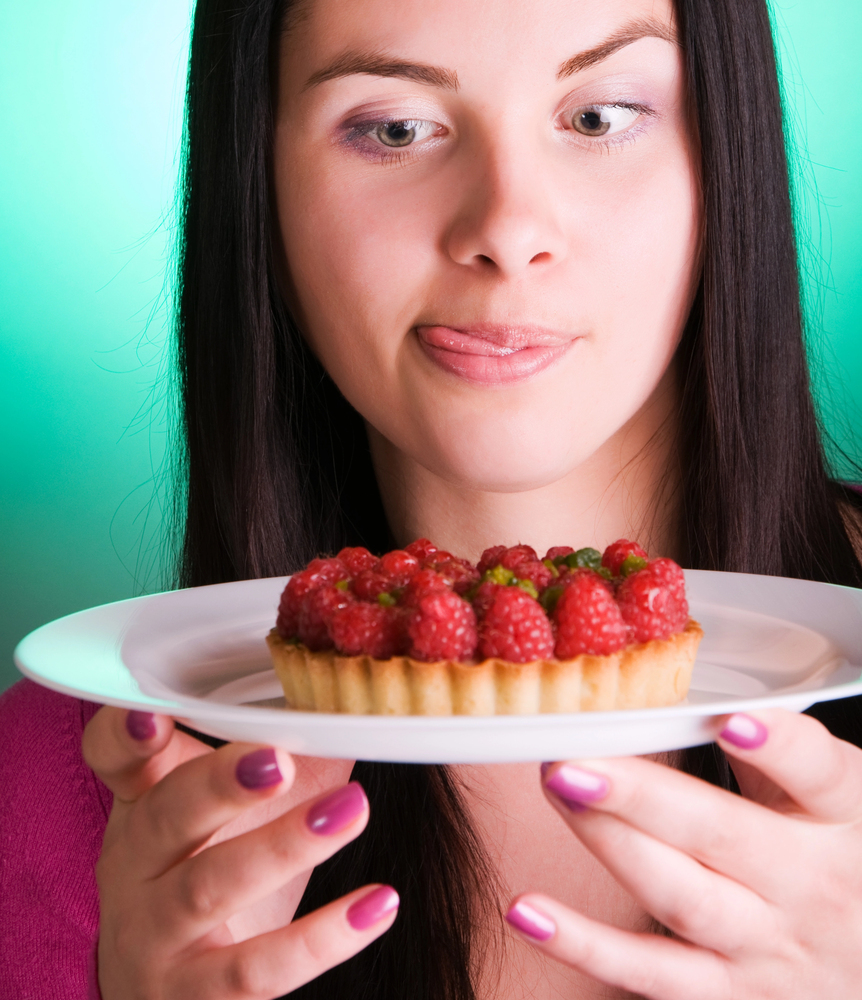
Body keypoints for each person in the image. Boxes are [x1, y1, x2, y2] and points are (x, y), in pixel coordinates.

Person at [2, 0, 862, 996]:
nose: (506, 229)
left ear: (728, 146)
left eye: (597, 117)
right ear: (258, 185)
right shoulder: (53, 795)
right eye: (395, 128)